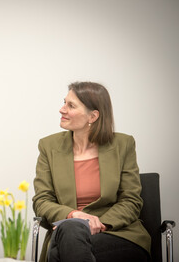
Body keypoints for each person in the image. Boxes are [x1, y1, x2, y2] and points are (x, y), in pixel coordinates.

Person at [32, 82, 151, 262]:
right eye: (64, 102)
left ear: (93, 116)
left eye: (70, 105)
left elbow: (131, 200)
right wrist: (74, 216)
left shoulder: (123, 144)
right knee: (71, 229)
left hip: (116, 234)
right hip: (68, 232)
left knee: (61, 253)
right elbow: (42, 201)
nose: (61, 109)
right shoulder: (49, 146)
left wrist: (98, 224)